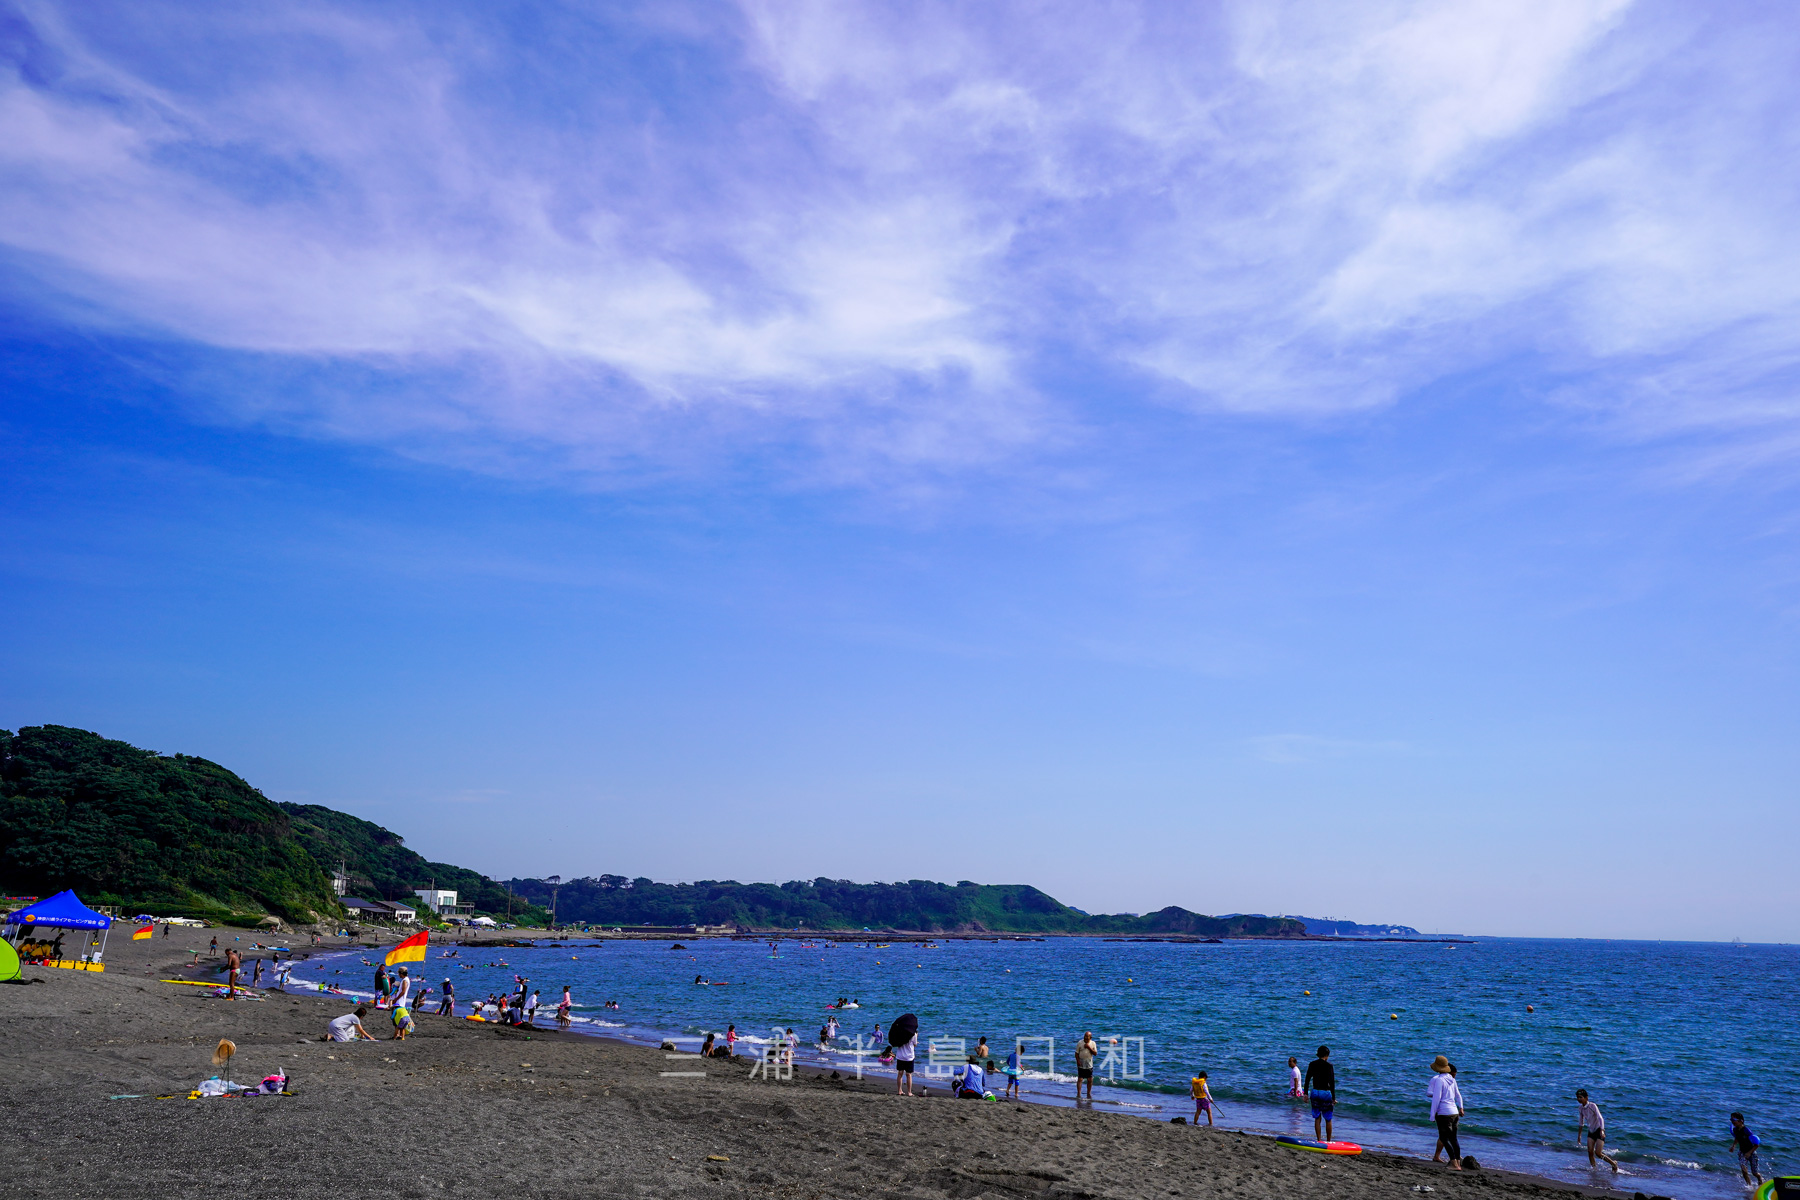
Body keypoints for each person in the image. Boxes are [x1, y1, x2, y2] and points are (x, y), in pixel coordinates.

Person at [1427, 1056, 1463, 1169]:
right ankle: (1458, 1162)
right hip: (1454, 1112)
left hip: (1444, 1113)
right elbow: (1458, 1095)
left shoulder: (1439, 1080)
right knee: (1453, 1138)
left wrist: (1432, 1115)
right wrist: (1461, 1107)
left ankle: (1453, 1163)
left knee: (1444, 1138)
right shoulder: (1452, 1079)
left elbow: (1436, 1099)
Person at [1575, 1089, 1619, 1173]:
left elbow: (1600, 1118)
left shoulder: (1592, 1106)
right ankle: (1594, 1170)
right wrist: (1579, 1135)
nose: (1579, 1099)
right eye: (1577, 1097)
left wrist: (1602, 1130)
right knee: (1590, 1152)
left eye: (1580, 1097)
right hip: (1591, 1131)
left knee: (1598, 1153)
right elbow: (1581, 1122)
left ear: (1586, 1098)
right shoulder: (1580, 1108)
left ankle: (1614, 1164)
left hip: (1598, 1130)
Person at [1304, 1046, 1336, 1142]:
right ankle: (1328, 1141)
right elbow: (1332, 1083)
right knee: (1328, 1118)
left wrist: (1305, 1093)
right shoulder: (1329, 1066)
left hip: (1315, 1092)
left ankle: (1319, 1140)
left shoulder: (1312, 1064)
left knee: (1317, 1118)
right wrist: (1333, 1098)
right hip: (1325, 1092)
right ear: (1326, 1055)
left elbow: (1307, 1079)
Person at [1730, 1113, 1763, 1186]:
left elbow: (1756, 1145)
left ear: (1740, 1121)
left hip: (1751, 1152)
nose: (1732, 1121)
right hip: (1742, 1152)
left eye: (1733, 1120)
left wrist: (1749, 1153)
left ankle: (1759, 1178)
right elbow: (1737, 1138)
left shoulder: (1747, 1131)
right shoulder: (1735, 1129)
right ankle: (1749, 1186)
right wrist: (1733, 1145)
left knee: (1754, 1173)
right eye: (1731, 1119)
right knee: (1744, 1171)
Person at [894, 1027, 918, 1096]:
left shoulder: (899, 1033)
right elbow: (915, 1044)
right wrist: (916, 1036)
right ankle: (909, 1092)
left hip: (900, 1055)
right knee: (908, 1074)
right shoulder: (913, 1034)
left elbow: (896, 1043)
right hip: (909, 1056)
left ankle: (899, 1090)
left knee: (900, 1073)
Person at [391, 967, 414, 1039]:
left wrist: (396, 999)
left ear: (401, 973)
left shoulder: (405, 980)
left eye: (399, 973)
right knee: (399, 1019)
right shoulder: (406, 980)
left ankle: (397, 1034)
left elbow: (403, 991)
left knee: (396, 1018)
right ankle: (400, 1035)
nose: (398, 975)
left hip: (399, 1002)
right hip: (401, 1002)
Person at [1075, 1032, 1098, 1100]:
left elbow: (1095, 1053)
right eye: (1085, 1036)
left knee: (1090, 1079)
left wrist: (1089, 1047)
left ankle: (1088, 1093)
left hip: (1089, 1063)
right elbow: (1076, 1053)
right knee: (1080, 1079)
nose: (1086, 1037)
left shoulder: (1093, 1043)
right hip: (1081, 1062)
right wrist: (1077, 1061)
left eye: (1087, 1036)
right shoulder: (1080, 1042)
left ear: (1090, 1037)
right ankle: (1079, 1093)